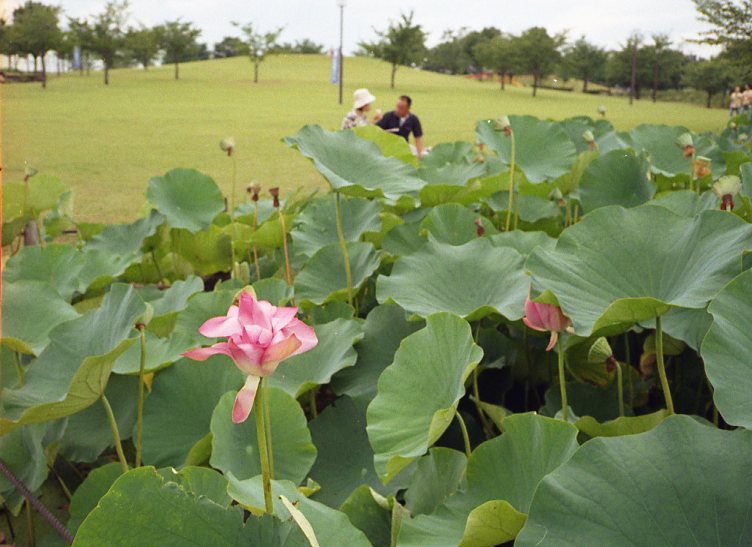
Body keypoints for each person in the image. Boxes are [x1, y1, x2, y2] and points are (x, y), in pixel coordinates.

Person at [375, 95, 425, 159]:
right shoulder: (388, 116)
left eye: (401, 108)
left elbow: (418, 138)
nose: (397, 110)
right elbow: (376, 130)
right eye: (397, 107)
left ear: (408, 108)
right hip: (389, 148)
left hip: (404, 148)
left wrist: (420, 154)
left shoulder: (413, 119)